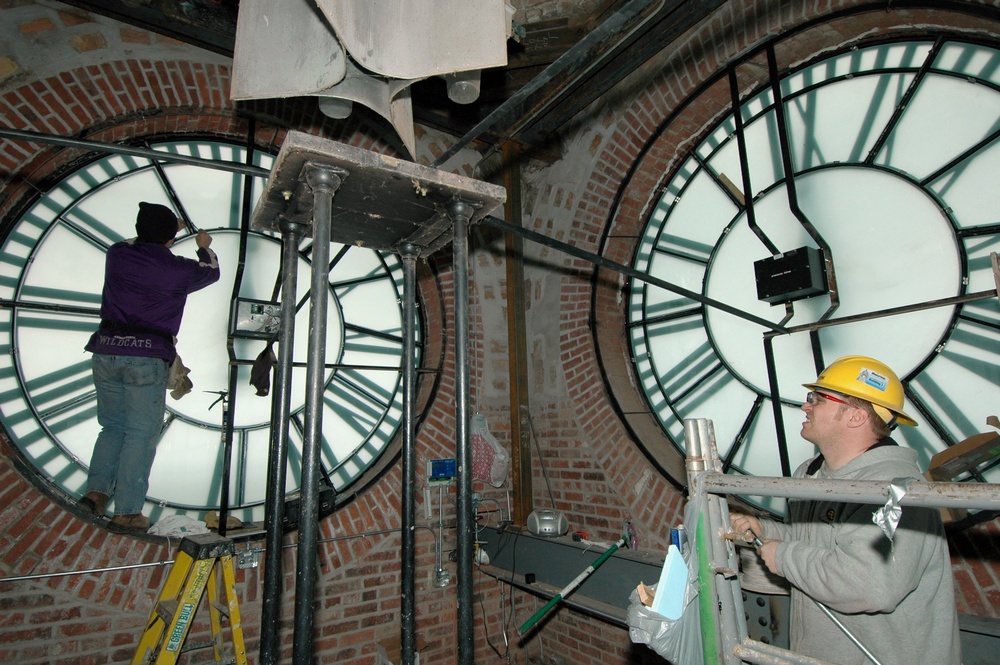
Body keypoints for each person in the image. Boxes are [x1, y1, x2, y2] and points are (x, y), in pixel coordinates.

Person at [730, 355, 960, 665]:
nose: (806, 406)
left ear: (855, 416)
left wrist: (783, 555)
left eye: (818, 398)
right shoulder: (810, 474)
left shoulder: (897, 489)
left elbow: (869, 585)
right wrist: (764, 530)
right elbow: (819, 543)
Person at [79, 202, 220, 531]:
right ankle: (127, 511)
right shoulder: (179, 269)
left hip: (106, 350)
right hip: (147, 355)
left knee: (112, 428)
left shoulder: (118, 254)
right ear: (169, 239)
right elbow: (211, 271)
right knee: (140, 436)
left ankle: (95, 495)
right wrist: (203, 247)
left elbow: (135, 242)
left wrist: (170, 231)